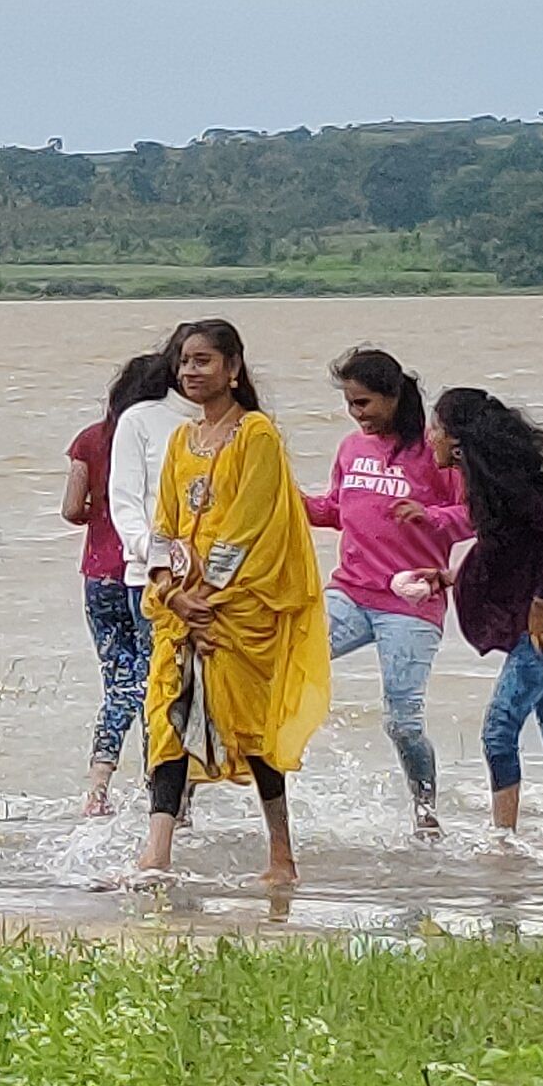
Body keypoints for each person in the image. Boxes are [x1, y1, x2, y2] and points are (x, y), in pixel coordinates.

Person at [113, 318, 330, 884]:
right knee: (168, 721)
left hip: (239, 608)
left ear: (233, 368)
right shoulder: (183, 439)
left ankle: (282, 856)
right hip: (181, 607)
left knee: (252, 732)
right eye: (185, 361)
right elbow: (165, 522)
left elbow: (249, 524)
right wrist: (168, 588)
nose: (191, 371)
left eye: (204, 360)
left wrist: (207, 597)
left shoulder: (257, 434)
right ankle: (157, 853)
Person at [428, 387, 543, 858]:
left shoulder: (508, 486)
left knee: (498, 730)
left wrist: (542, 604)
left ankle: (504, 845)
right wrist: (451, 577)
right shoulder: (488, 484)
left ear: (459, 438)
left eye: (437, 427)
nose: (431, 436)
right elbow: (506, 552)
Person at [307, 346, 465, 834]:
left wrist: (431, 516)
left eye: (365, 403)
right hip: (350, 594)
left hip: (411, 606)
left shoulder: (434, 450)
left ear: (394, 396)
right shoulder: (351, 448)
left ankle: (425, 814)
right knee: (288, 655)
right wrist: (288, 503)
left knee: (403, 720)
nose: (357, 415)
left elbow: (475, 516)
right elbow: (336, 510)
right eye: (350, 404)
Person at [60, 352, 180, 815]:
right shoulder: (168, 436)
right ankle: (161, 790)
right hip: (148, 575)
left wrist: (104, 516)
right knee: (157, 682)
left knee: (118, 682)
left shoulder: (91, 438)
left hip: (98, 576)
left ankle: (98, 787)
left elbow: (72, 509)